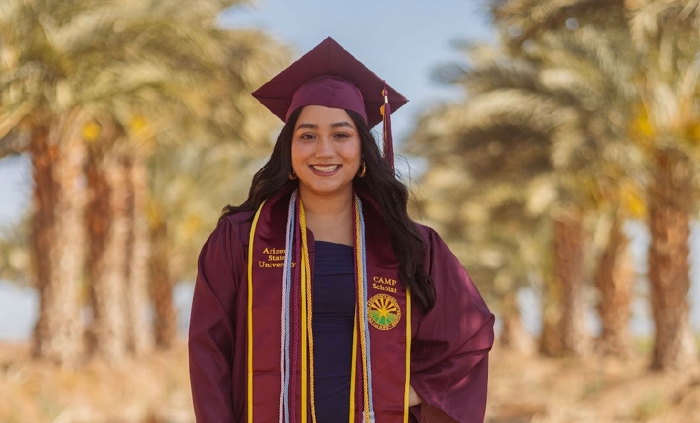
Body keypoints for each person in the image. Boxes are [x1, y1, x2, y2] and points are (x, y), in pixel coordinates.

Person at [189, 37, 495, 423]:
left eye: (340, 134)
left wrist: (412, 390)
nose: (324, 151)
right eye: (307, 135)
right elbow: (209, 353)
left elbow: (470, 334)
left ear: (363, 150)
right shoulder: (241, 240)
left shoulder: (412, 245)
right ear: (289, 149)